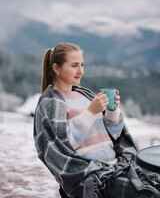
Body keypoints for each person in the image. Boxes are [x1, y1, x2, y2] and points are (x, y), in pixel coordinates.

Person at [33, 43, 160, 198]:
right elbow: (64, 146)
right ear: (56, 68)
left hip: (116, 166)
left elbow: (114, 136)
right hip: (95, 176)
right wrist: (91, 112)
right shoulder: (50, 103)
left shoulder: (85, 95)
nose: (80, 71)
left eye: (82, 65)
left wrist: (112, 112)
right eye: (74, 65)